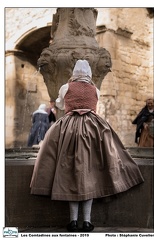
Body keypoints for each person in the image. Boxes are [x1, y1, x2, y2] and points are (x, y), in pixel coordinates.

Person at [30, 60, 144, 232]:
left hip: (68, 128)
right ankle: (88, 222)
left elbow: (60, 105)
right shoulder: (95, 89)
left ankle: (73, 221)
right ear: (90, 73)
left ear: (74, 72)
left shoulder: (65, 87)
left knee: (70, 174)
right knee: (90, 176)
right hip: (93, 128)